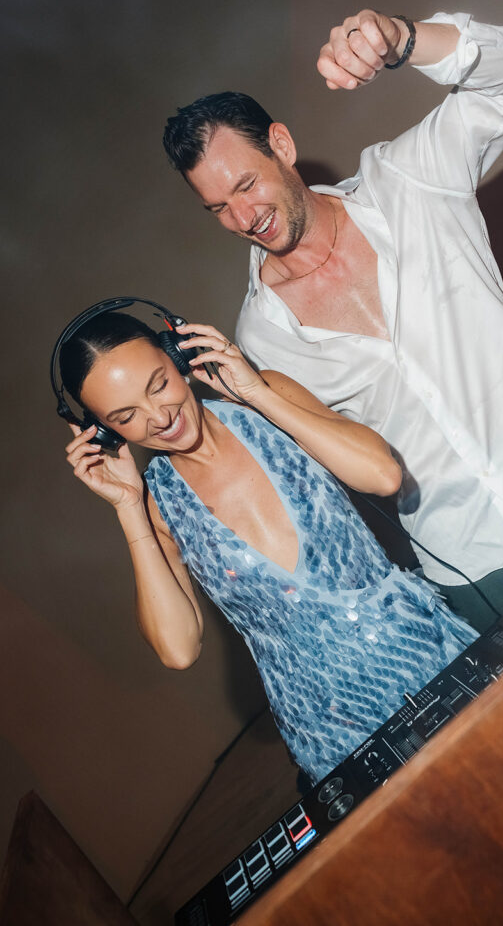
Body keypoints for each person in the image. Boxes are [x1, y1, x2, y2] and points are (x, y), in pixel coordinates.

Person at [161, 7, 503, 628]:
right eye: (218, 208)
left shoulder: (409, 183)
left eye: (246, 186)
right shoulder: (262, 337)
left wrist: (403, 39)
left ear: (282, 147)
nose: (243, 218)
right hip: (480, 572)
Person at [60, 309, 478, 783]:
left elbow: (382, 476)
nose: (159, 417)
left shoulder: (266, 397)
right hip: (333, 730)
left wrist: (258, 394)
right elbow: (178, 649)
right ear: (105, 432)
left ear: (179, 356)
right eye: (125, 417)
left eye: (158, 385)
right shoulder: (157, 506)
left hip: (427, 655)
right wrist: (128, 507)